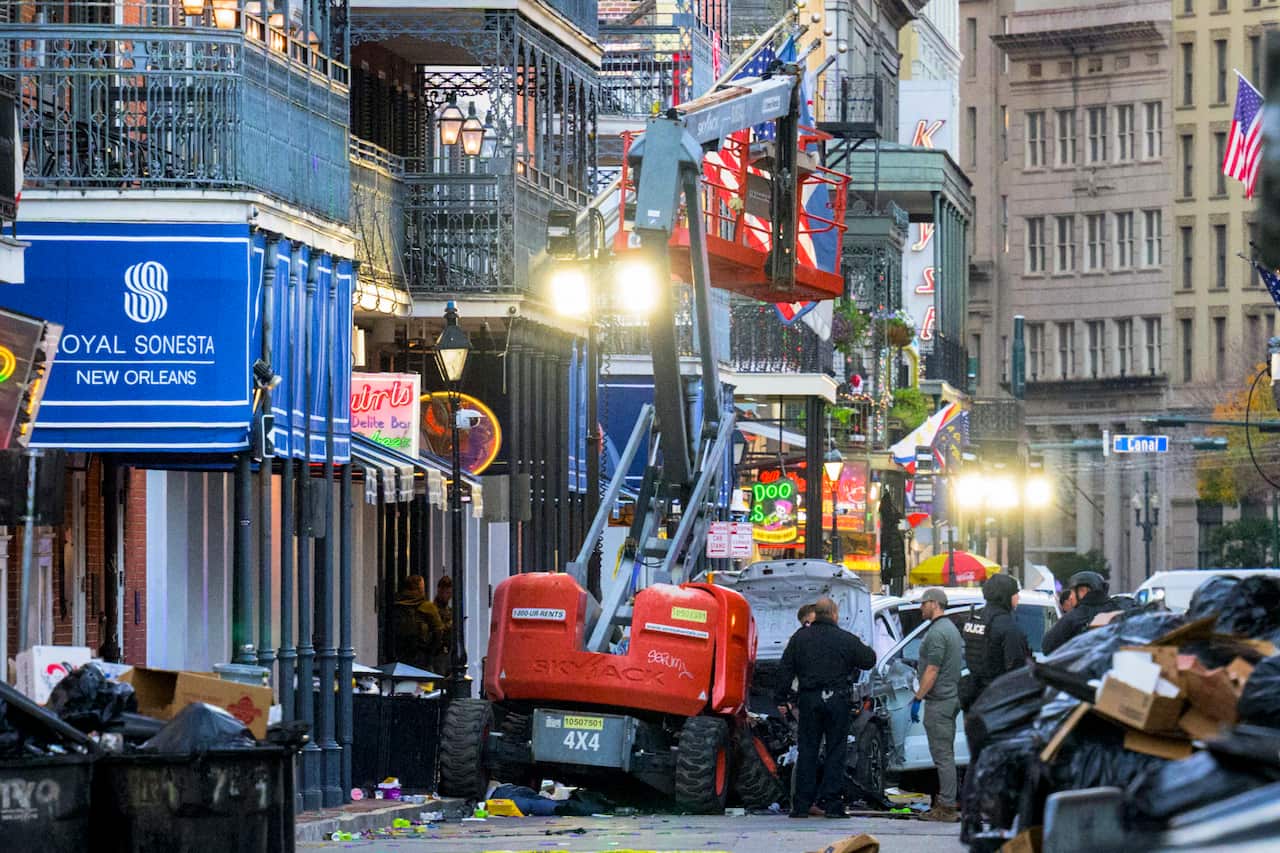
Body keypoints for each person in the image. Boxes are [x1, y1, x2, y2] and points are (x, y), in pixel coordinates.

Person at [775, 597, 877, 819]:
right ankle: (833, 805)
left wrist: (781, 698)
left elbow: (784, 670)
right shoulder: (845, 639)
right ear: (834, 614)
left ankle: (801, 805)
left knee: (808, 751)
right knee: (835, 752)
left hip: (809, 700)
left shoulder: (799, 638)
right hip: (837, 701)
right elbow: (869, 660)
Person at [911, 588, 963, 823]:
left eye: (923, 604)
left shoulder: (937, 633)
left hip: (940, 701)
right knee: (946, 754)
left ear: (934, 604)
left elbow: (932, 669)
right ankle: (947, 802)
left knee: (942, 756)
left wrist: (918, 697)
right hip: (950, 698)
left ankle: (947, 807)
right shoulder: (949, 629)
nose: (921, 608)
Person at [959, 573, 1030, 710]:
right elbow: (1017, 667)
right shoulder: (1007, 626)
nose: (1018, 597)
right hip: (1000, 699)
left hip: (975, 695)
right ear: (1006, 595)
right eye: (1016, 593)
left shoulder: (975, 619)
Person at [1041, 571, 1121, 654]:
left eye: (1072, 592)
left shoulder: (1074, 617)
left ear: (1083, 591)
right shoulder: (1119, 611)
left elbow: (1047, 646)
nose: (1071, 597)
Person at [391, 575, 445, 672]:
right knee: (425, 684)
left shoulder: (397, 606)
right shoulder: (427, 607)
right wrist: (431, 651)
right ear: (419, 588)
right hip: (423, 657)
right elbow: (439, 631)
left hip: (401, 656)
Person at [433, 576, 454, 676]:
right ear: (439, 590)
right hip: (436, 653)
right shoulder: (432, 609)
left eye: (449, 593)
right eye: (444, 592)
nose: (446, 596)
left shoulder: (450, 611)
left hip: (448, 653)